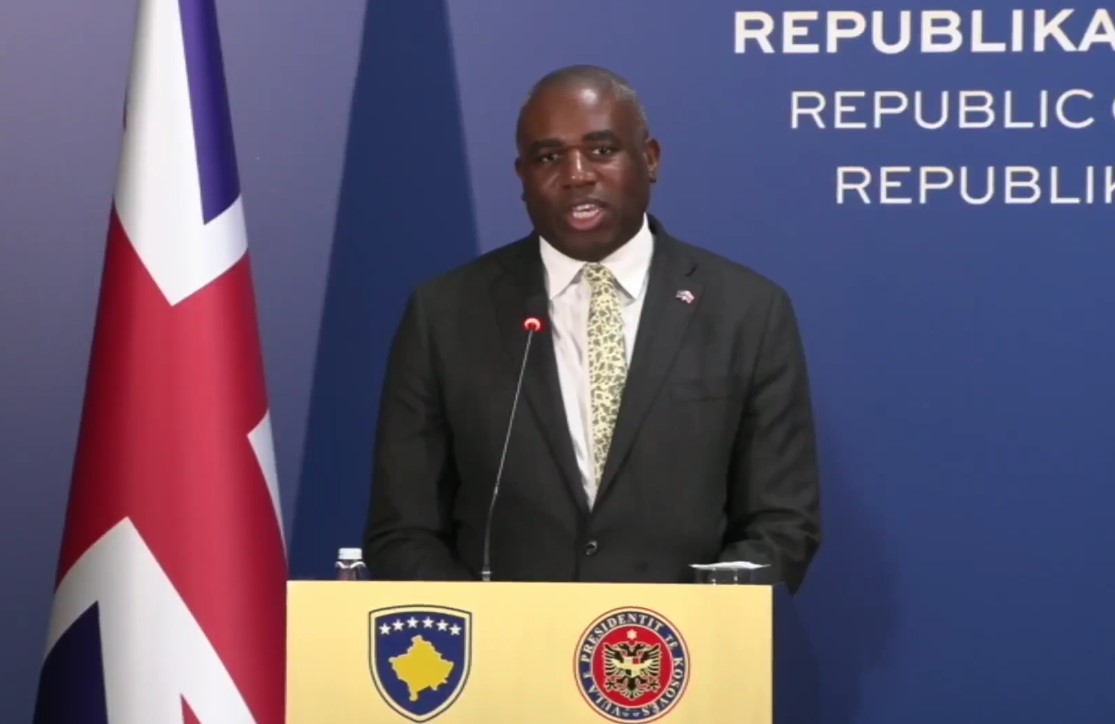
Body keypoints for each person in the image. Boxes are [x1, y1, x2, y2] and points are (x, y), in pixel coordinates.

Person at [362, 64, 821, 593]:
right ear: (522, 177)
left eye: (602, 150)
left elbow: (782, 522)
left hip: (677, 641)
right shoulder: (444, 313)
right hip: (506, 644)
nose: (577, 174)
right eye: (549, 157)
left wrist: (694, 623)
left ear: (650, 159)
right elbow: (404, 530)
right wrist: (482, 626)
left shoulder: (747, 310)